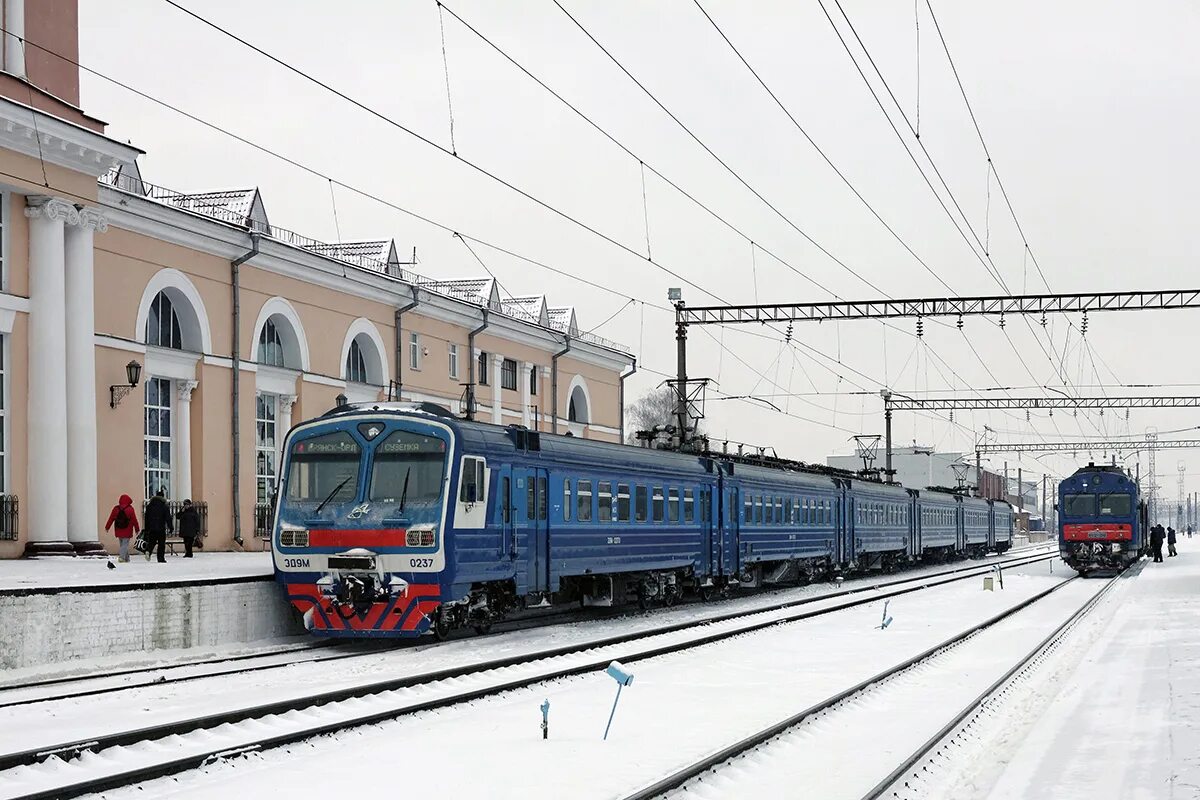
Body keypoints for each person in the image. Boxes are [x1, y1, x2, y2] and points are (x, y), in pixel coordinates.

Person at [103, 493, 140, 563]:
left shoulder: (116, 508)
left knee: (122, 545)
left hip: (118, 529)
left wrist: (107, 527)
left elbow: (111, 518)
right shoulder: (130, 509)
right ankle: (122, 558)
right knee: (124, 545)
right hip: (127, 530)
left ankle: (127, 558)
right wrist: (137, 529)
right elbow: (134, 520)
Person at [143, 489, 173, 563]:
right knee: (161, 544)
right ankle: (160, 558)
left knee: (152, 542)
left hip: (151, 528)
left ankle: (148, 551)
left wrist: (147, 528)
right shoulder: (164, 506)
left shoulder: (149, 506)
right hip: (161, 528)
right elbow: (168, 518)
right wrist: (171, 528)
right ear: (163, 497)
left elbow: (146, 518)